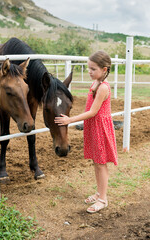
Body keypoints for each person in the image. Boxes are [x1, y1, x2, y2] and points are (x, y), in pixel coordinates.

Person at [54, 50, 118, 213]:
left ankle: (103, 199)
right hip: (93, 127)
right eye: (88, 68)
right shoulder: (96, 83)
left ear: (104, 70)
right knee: (96, 162)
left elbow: (93, 112)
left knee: (101, 163)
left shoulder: (103, 87)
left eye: (93, 69)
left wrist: (69, 120)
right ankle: (99, 193)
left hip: (100, 128)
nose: (89, 72)